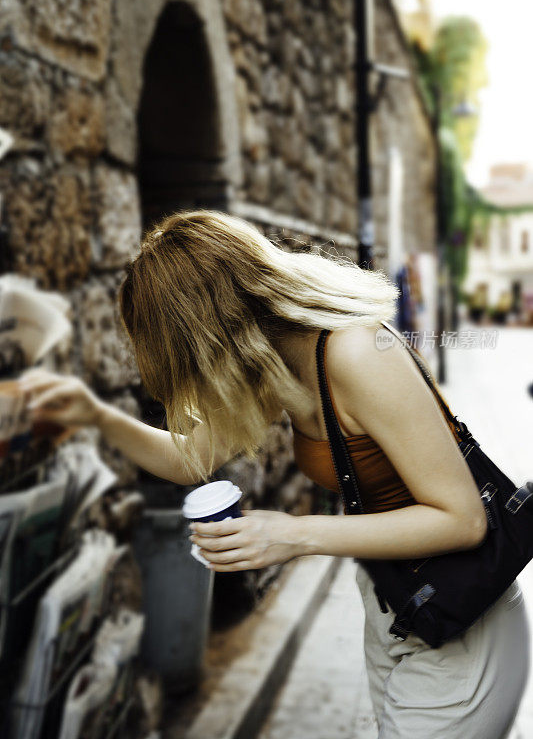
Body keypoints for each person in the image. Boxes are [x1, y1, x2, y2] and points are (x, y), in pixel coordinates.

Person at [18, 210, 530, 738]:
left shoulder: (355, 352)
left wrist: (291, 534)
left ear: (213, 339)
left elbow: (464, 520)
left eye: (187, 364)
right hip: (400, 610)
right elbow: (188, 457)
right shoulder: (278, 367)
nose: (192, 383)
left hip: (462, 628)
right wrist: (96, 415)